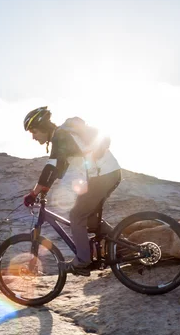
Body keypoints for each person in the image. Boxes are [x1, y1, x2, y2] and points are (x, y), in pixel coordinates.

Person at [22, 106, 122, 276]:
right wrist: (44, 189)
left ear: (43, 127)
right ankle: (121, 247)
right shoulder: (62, 138)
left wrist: (33, 193)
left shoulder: (60, 136)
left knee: (76, 215)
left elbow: (50, 168)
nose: (33, 137)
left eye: (34, 131)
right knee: (89, 219)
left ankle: (83, 261)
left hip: (103, 175)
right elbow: (57, 169)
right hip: (106, 174)